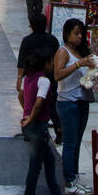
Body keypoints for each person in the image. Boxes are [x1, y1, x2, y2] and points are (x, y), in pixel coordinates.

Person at [19, 46, 71, 195]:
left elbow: (21, 95)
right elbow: (40, 101)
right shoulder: (44, 81)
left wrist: (26, 112)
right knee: (35, 165)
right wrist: (32, 117)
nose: (53, 64)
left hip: (33, 126)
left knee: (49, 160)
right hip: (37, 127)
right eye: (51, 61)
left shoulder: (28, 79)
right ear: (46, 64)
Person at [53, 19, 92, 195]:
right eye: (76, 33)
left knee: (76, 142)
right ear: (67, 34)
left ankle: (74, 177)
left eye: (81, 33)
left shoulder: (80, 51)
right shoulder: (63, 52)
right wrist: (77, 64)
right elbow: (57, 75)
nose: (79, 37)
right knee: (70, 143)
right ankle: (69, 180)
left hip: (82, 100)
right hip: (68, 103)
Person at [16, 11, 63, 146]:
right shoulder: (52, 39)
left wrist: (19, 78)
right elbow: (57, 58)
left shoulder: (27, 40)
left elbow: (21, 62)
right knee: (51, 103)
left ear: (31, 26)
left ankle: (31, 123)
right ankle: (58, 128)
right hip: (51, 76)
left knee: (31, 101)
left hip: (32, 77)